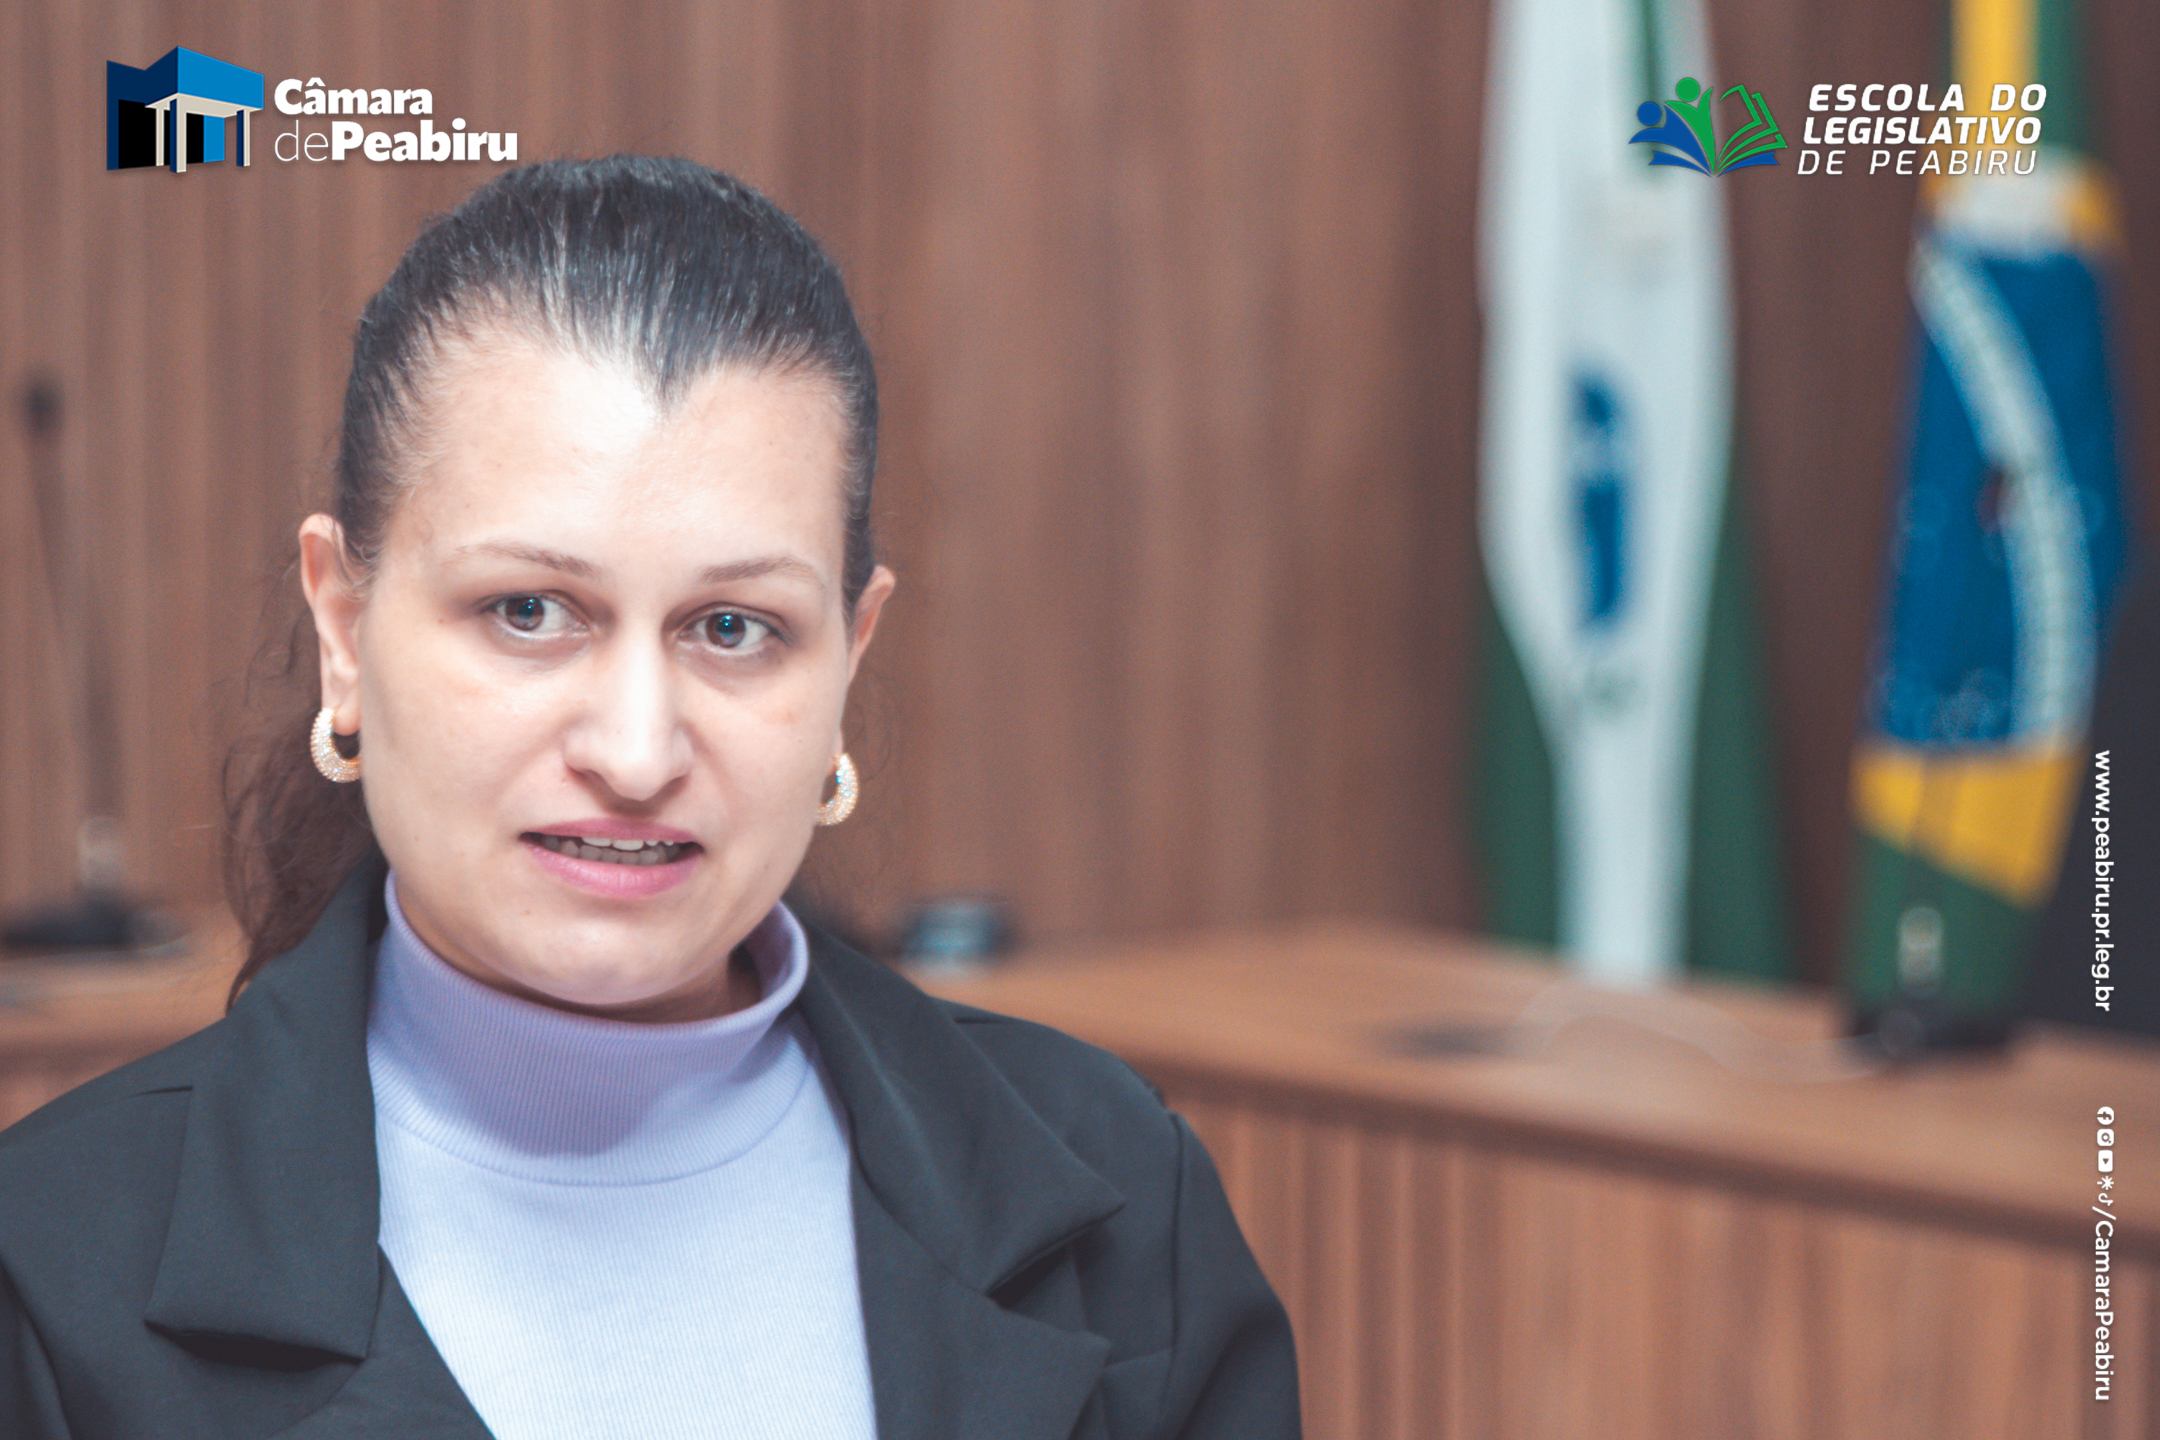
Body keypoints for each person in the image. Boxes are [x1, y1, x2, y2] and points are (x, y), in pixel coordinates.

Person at [0, 156, 1300, 1439]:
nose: (634, 753)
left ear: (851, 658)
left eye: (733, 628)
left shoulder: (1125, 1200)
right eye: (528, 611)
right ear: (344, 627)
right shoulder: (49, 1270)